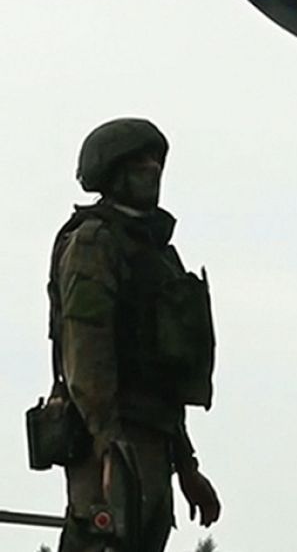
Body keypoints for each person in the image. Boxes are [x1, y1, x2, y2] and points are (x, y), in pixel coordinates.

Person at [50, 118, 221, 551]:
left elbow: (162, 374)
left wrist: (186, 466)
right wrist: (108, 446)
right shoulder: (95, 243)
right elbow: (86, 353)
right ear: (112, 173)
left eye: (154, 161)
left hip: (151, 443)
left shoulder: (156, 254)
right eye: (137, 162)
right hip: (111, 441)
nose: (151, 169)